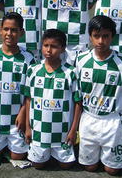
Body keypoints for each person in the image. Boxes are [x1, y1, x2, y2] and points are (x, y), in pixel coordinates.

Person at [75, 15, 122, 175]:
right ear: (90, 36)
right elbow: (77, 97)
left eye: (105, 36)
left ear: (112, 37)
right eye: (96, 36)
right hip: (89, 119)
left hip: (112, 121)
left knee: (112, 170)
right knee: (90, 167)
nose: (101, 41)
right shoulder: (81, 60)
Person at [0, 12, 35, 168]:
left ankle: (9, 148)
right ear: (0, 30)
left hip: (15, 118)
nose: (9, 34)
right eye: (6, 29)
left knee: (18, 156)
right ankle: (0, 147)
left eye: (14, 30)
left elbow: (30, 91)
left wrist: (24, 112)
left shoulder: (28, 58)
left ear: (21, 33)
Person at [23, 29, 82, 169]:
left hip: (62, 132)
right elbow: (28, 100)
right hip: (39, 132)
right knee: (37, 165)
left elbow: (78, 103)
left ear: (62, 48)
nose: (49, 50)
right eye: (45, 45)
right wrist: (27, 127)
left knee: (66, 166)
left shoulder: (70, 72)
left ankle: (56, 153)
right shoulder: (33, 70)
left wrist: (73, 130)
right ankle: (45, 152)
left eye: (54, 46)